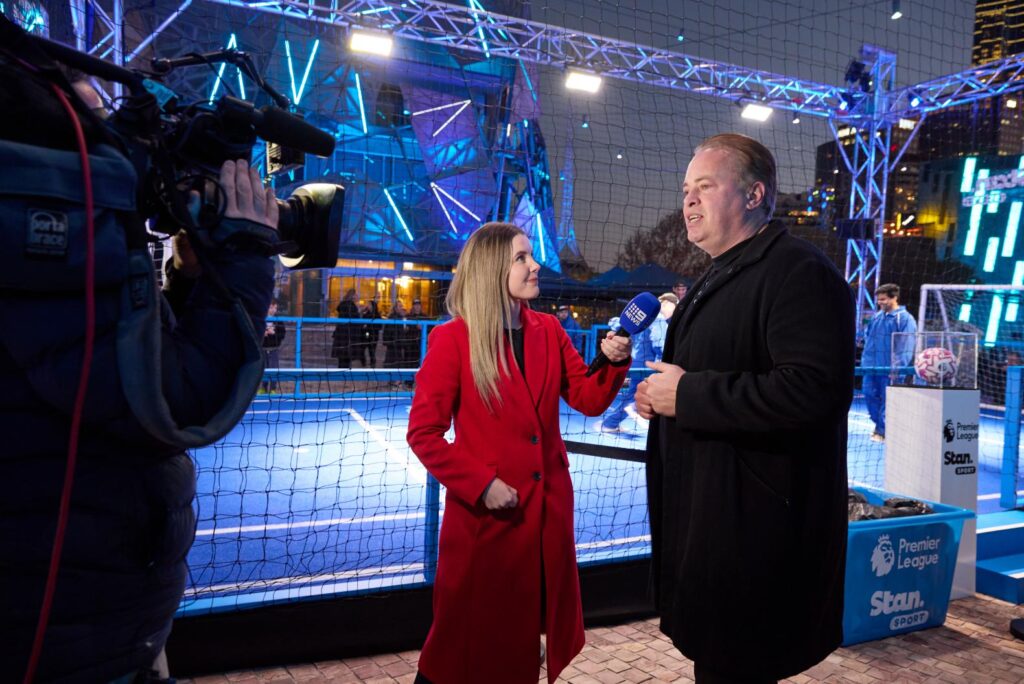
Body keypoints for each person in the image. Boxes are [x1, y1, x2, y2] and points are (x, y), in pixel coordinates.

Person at [1, 154, 279, 681]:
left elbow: (124, 366)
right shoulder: (44, 234)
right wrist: (245, 256)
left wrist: (189, 282)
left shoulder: (53, 242)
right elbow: (179, 400)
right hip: (70, 618)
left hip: (103, 608)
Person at [636, 134, 854, 683]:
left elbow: (812, 392)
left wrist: (687, 395)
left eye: (704, 187)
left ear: (755, 194)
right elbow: (707, 375)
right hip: (713, 529)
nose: (688, 201)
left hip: (755, 545)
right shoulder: (721, 272)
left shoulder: (798, 271)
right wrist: (662, 398)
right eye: (686, 190)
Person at [406, 222, 632, 684]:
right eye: (522, 258)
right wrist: (481, 485)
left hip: (545, 520)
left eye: (531, 256)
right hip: (487, 527)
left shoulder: (548, 330)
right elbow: (424, 433)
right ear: (492, 269)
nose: (535, 266)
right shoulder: (453, 340)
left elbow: (587, 399)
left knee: (520, 649)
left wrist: (611, 361)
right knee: (458, 652)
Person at [599, 292, 677, 433]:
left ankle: (611, 423)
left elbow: (618, 324)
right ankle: (614, 421)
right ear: (666, 303)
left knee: (634, 394)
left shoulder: (643, 317)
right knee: (638, 396)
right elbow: (659, 343)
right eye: (674, 306)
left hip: (636, 362)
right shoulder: (658, 319)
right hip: (648, 365)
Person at [860, 283, 917, 442]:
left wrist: (897, 367)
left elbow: (906, 345)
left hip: (890, 369)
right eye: (879, 300)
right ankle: (881, 427)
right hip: (870, 367)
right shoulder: (876, 316)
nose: (880, 302)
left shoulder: (905, 319)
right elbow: (868, 338)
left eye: (884, 299)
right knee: (869, 395)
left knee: (888, 402)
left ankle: (884, 430)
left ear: (894, 298)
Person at [262, 300, 286, 393]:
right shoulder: (261, 319)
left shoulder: (278, 321)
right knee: (264, 369)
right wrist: (263, 333)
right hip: (263, 349)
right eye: (271, 307)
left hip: (274, 349)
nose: (273, 310)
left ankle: (273, 389)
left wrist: (274, 333)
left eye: (275, 308)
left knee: (273, 369)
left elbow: (282, 334)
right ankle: (263, 388)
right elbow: (255, 332)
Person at [331, 289, 359, 368]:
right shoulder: (351, 306)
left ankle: (342, 369)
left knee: (342, 355)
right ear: (352, 296)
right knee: (346, 354)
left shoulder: (343, 305)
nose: (357, 297)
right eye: (356, 295)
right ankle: (345, 371)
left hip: (341, 333)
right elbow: (355, 319)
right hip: (348, 334)